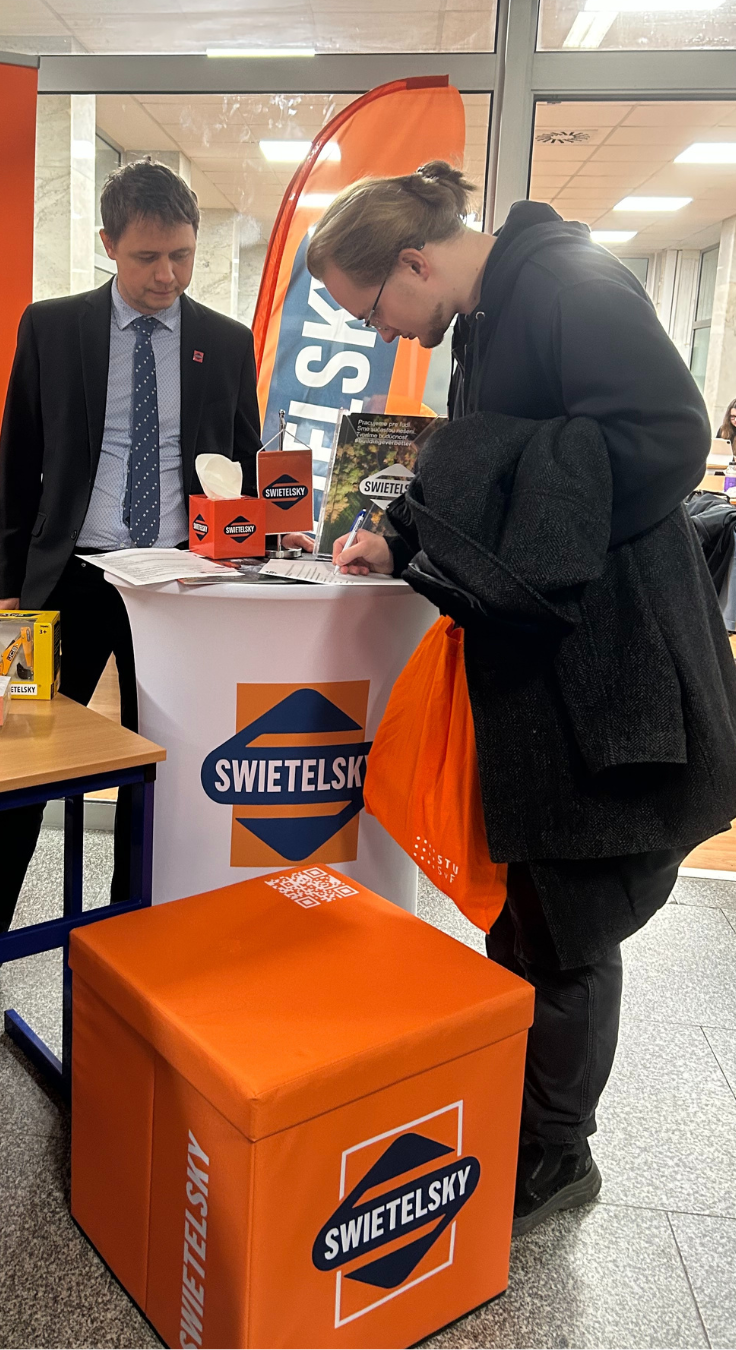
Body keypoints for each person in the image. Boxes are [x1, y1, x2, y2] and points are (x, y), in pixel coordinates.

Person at [303, 162, 736, 1235]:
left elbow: (667, 436)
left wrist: (526, 531)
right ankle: (532, 1116)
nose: (383, 334)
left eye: (373, 310)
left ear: (414, 262)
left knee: (572, 914)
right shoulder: (486, 318)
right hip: (550, 653)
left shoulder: (570, 286)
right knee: (534, 900)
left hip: (612, 654)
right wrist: (400, 533)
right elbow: (478, 471)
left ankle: (559, 1152)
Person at [0, 159, 261, 1016]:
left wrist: (260, 545)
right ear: (108, 243)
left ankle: (133, 930)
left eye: (182, 255)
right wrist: (5, 587)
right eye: (148, 256)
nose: (167, 276)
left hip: (179, 587)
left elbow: (248, 468)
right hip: (68, 576)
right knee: (20, 764)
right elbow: (18, 461)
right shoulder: (51, 327)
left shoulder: (226, 342)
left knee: (162, 763)